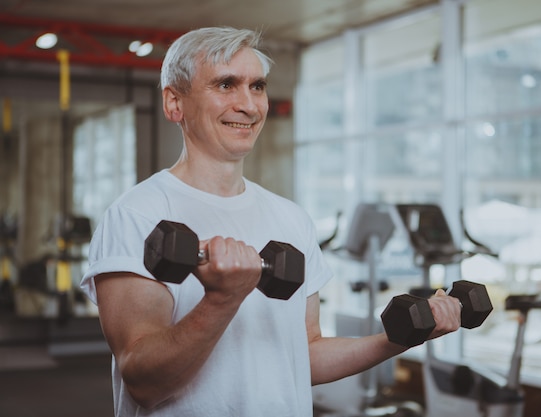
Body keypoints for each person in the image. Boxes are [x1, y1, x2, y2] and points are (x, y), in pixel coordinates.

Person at [80, 26, 462, 417]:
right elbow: (144, 382)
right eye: (226, 85)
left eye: (257, 86)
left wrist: (399, 339)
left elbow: (305, 355)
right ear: (174, 103)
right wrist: (222, 298)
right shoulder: (137, 215)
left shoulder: (290, 218)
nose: (248, 105)